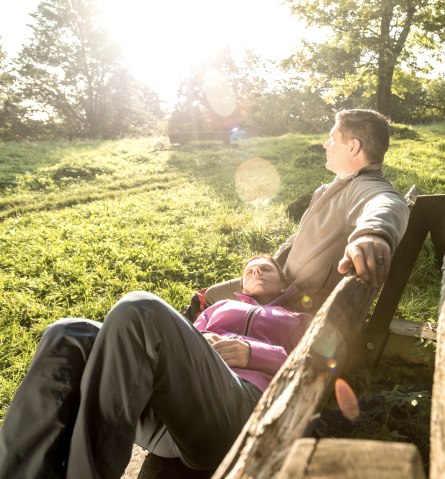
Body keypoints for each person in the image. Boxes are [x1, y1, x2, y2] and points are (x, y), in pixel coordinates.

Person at [0, 255, 312, 479]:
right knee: (69, 333)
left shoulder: (296, 319)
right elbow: (178, 340)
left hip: (237, 412)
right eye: (249, 269)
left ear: (281, 279)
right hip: (168, 415)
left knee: (141, 309)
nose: (255, 269)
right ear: (239, 283)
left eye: (265, 267)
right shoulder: (219, 306)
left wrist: (252, 352)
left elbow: (313, 362)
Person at [206, 109, 410, 310]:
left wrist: (374, 234)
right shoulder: (326, 190)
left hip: (297, 304)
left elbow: (388, 201)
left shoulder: (364, 186)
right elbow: (299, 237)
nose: (325, 144)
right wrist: (274, 265)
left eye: (332, 139)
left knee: (209, 301)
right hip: (282, 282)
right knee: (210, 295)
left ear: (353, 147)